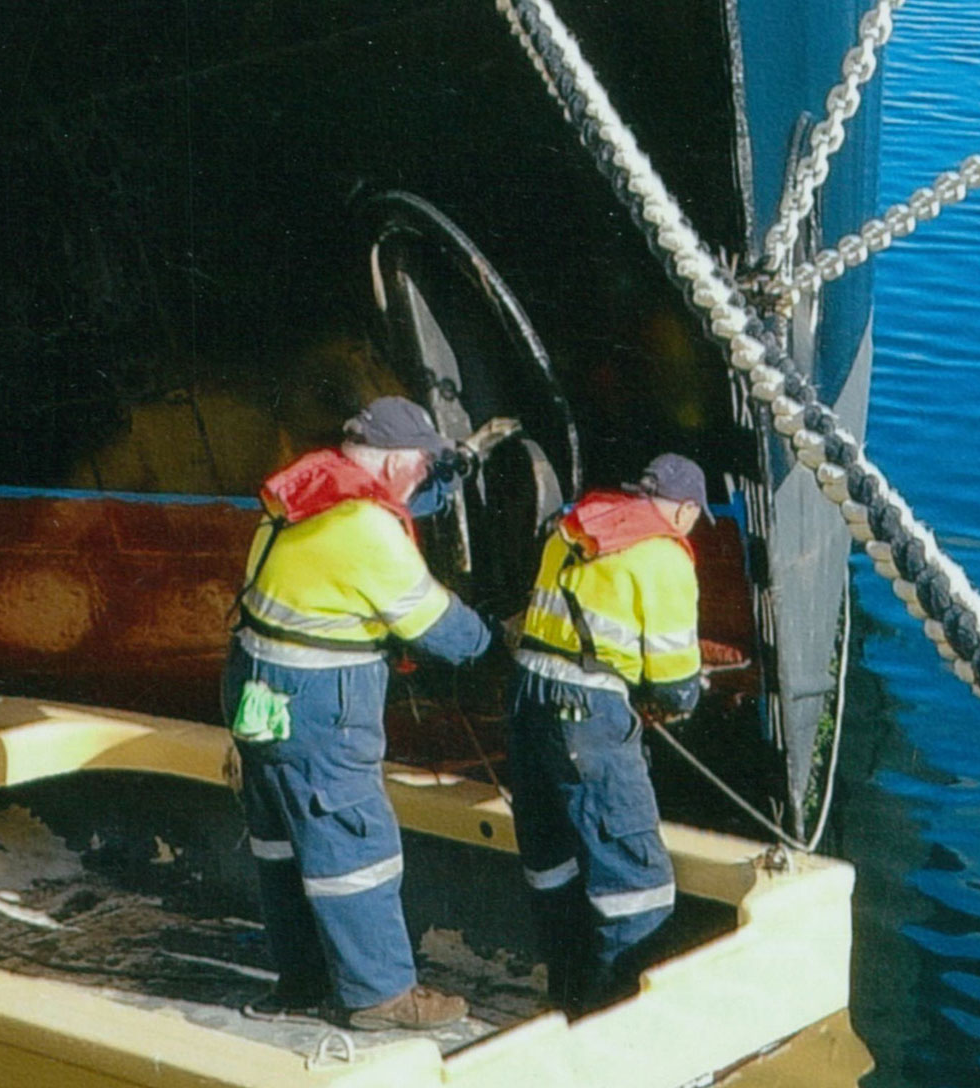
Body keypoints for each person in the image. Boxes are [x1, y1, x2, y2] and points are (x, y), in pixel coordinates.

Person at [222, 396, 494, 1031]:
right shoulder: (365, 531)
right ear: (397, 461)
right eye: (421, 466)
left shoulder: (301, 498)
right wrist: (494, 642)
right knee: (352, 844)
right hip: (322, 706)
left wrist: (450, 471)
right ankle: (379, 996)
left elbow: (384, 508)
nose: (421, 477)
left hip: (259, 696)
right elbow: (442, 630)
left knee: (285, 843)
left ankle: (301, 982)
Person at [507, 451, 707, 1014]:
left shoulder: (573, 530)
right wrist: (681, 699)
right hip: (586, 714)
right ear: (685, 509)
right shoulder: (664, 556)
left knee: (552, 861)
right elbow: (672, 679)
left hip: (528, 697)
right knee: (636, 878)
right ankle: (619, 1013)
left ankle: (565, 996)